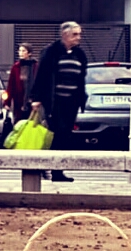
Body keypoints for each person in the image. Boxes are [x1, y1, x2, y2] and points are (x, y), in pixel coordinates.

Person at [29, 22, 89, 182]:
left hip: (72, 102)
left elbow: (81, 78)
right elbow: (41, 75)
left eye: (79, 34)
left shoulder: (80, 54)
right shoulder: (51, 52)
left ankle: (56, 171)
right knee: (55, 133)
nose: (78, 38)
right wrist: (36, 98)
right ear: (65, 35)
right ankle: (47, 167)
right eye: (75, 34)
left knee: (65, 135)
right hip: (54, 102)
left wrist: (82, 99)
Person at [5, 44, 35, 120]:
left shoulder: (35, 66)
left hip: (32, 100)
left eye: (23, 51)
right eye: (19, 51)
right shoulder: (16, 67)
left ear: (29, 53)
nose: (20, 53)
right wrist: (7, 102)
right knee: (19, 123)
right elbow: (11, 85)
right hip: (19, 100)